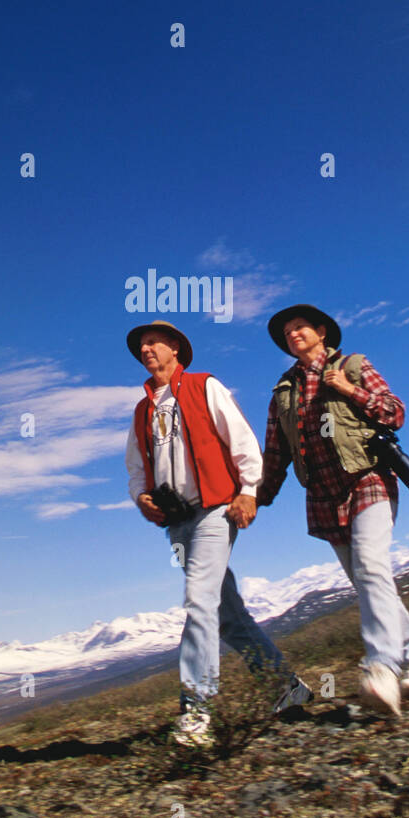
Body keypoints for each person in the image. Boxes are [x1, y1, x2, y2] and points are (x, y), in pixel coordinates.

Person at [125, 320, 312, 747]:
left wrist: (248, 492)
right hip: (177, 521)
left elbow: (243, 440)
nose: (146, 349)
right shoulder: (142, 410)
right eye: (141, 345)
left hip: (215, 509)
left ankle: (196, 709)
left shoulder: (205, 386)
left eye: (154, 342)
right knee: (225, 613)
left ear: (176, 348)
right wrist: (141, 498)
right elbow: (136, 467)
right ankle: (287, 686)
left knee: (198, 602)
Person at [256, 304, 409, 719]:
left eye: (300, 327)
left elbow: (395, 411)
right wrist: (256, 499)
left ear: (321, 331)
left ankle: (381, 668)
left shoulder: (354, 365)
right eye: (287, 331)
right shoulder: (283, 392)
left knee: (372, 569)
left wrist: (349, 390)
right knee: (369, 582)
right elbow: (276, 452)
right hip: (323, 495)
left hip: (368, 480)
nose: (293, 334)